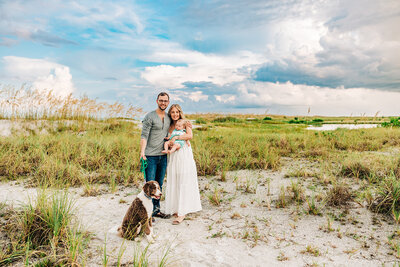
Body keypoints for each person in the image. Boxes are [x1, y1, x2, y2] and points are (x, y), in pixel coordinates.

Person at [164, 104, 202, 225]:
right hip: (174, 154)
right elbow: (168, 140)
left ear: (180, 113)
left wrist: (176, 138)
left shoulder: (186, 123)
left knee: (184, 179)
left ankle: (182, 212)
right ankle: (176, 208)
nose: (175, 114)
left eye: (177, 112)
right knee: (175, 179)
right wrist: (171, 142)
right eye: (173, 112)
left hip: (184, 153)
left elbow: (189, 136)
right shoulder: (169, 125)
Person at [140, 92, 171, 219]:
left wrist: (187, 125)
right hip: (150, 156)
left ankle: (156, 210)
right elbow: (144, 135)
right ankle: (147, 213)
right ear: (157, 101)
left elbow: (178, 125)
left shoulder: (169, 117)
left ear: (168, 102)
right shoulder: (150, 116)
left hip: (163, 156)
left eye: (165, 101)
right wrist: (142, 152)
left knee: (159, 185)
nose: (163, 103)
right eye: (161, 100)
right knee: (149, 186)